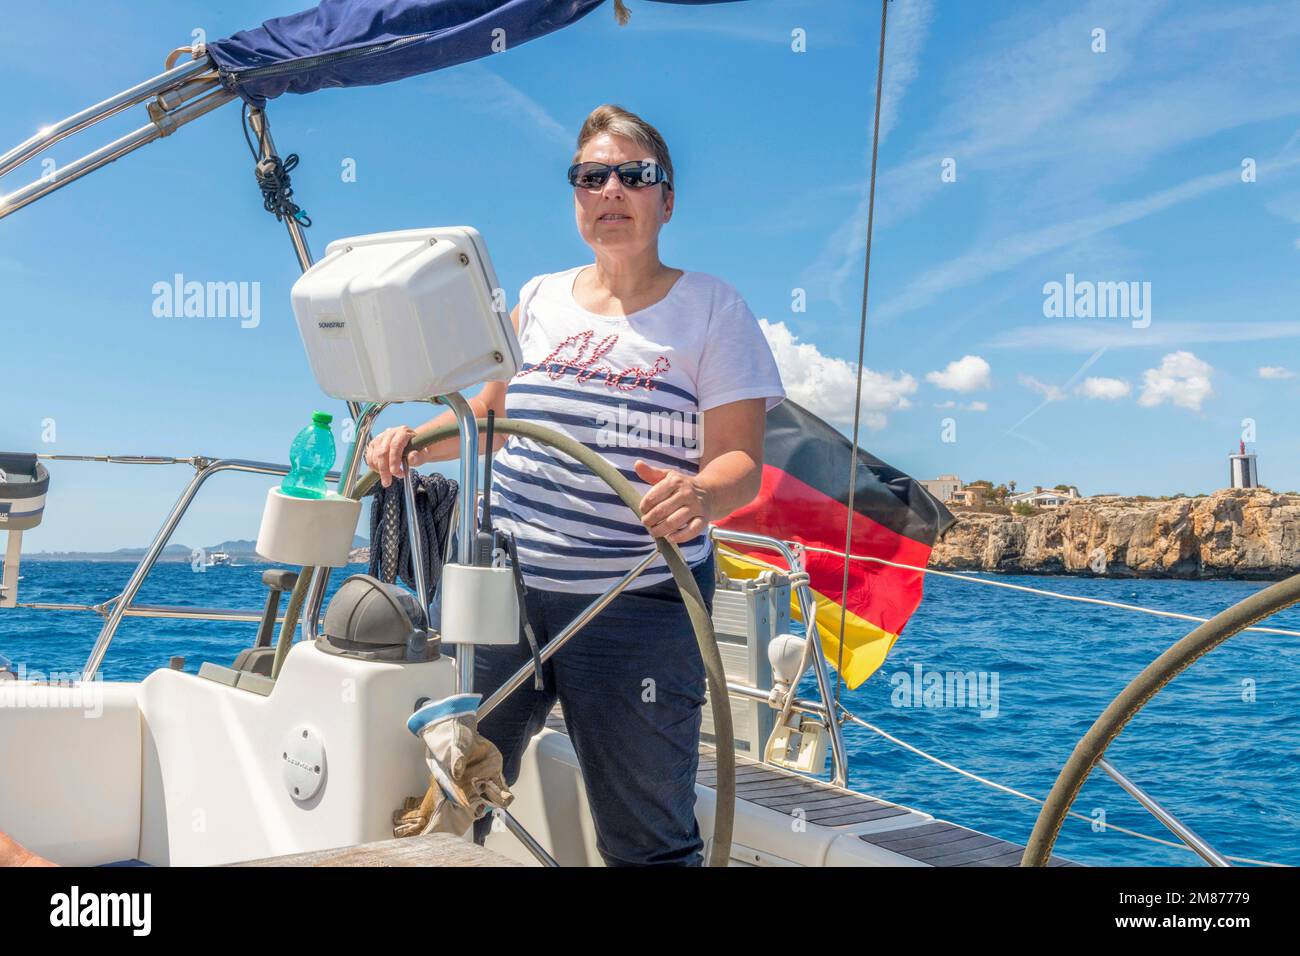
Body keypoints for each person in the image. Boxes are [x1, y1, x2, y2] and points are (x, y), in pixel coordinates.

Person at [365, 104, 784, 866]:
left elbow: (741, 465)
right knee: (454, 799)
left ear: (667, 198)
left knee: (646, 840)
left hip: (639, 606)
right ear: (576, 196)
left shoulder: (713, 310)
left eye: (634, 174)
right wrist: (413, 440)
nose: (611, 189)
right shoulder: (540, 298)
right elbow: (488, 414)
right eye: (592, 176)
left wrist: (702, 494)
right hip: (508, 596)